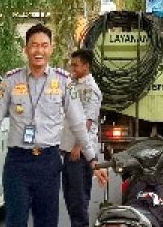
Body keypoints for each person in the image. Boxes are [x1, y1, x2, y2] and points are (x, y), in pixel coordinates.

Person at [0, 24, 107, 227]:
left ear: (51, 48)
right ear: (26, 48)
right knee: (15, 221)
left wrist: (92, 159)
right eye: (34, 45)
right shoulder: (10, 81)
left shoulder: (64, 82)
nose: (39, 50)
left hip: (48, 162)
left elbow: (78, 123)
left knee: (46, 222)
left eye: (44, 45)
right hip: (17, 163)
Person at [61, 48, 103, 227]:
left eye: (76, 65)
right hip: (69, 150)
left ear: (86, 66)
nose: (73, 69)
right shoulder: (74, 84)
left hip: (81, 152)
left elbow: (87, 121)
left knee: (79, 199)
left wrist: (78, 146)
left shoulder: (90, 90)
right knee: (70, 196)